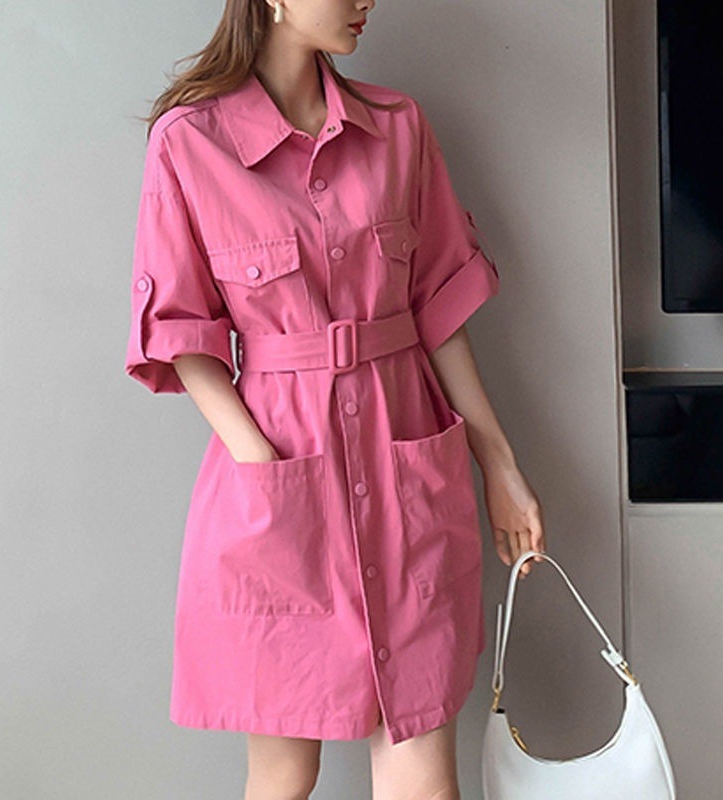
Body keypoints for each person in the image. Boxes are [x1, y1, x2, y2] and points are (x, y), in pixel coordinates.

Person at [125, 1, 546, 798]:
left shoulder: (398, 129)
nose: (365, 1)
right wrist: (262, 465)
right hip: (281, 476)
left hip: (405, 465)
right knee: (285, 775)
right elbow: (184, 338)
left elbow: (439, 314)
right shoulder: (190, 142)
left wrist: (499, 463)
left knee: (424, 777)